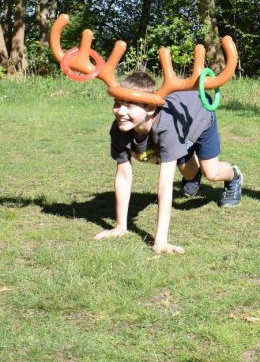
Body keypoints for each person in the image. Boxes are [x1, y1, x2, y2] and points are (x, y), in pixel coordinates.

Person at [95, 71, 243, 254]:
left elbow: (165, 185)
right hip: (179, 130)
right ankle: (188, 167)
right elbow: (124, 176)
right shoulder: (119, 129)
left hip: (199, 114)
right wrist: (120, 226)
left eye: (129, 106)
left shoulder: (166, 128)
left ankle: (234, 176)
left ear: (150, 108)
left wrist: (160, 241)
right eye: (117, 103)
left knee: (211, 173)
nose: (120, 112)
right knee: (188, 173)